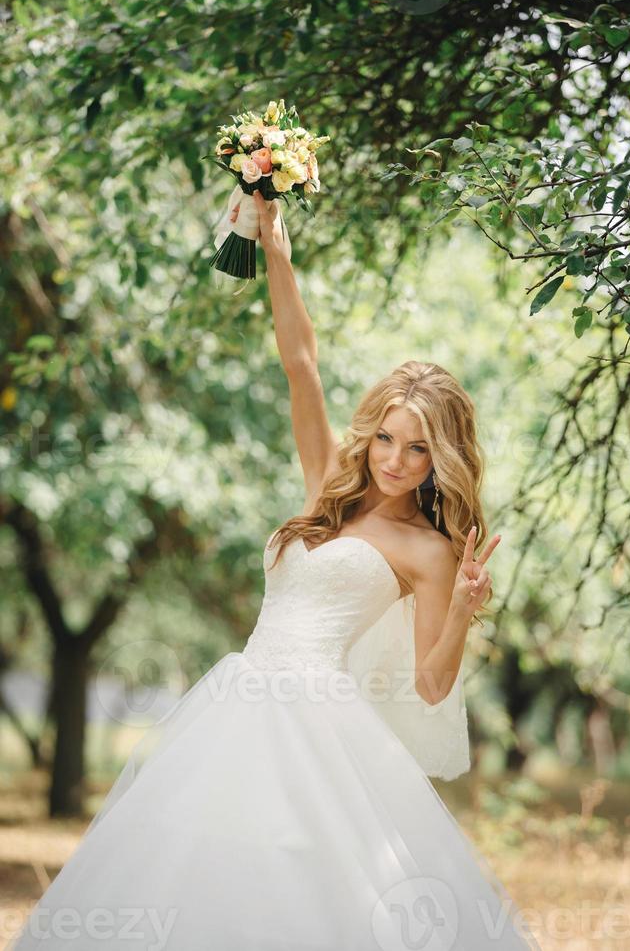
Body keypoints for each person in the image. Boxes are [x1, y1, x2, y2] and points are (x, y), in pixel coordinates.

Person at [9, 191, 541, 950]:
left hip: (320, 727)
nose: (395, 460)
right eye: (387, 438)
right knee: (194, 867)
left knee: (306, 881)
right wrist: (274, 236)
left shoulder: (429, 549)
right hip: (239, 699)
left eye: (417, 449)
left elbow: (428, 685)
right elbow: (301, 363)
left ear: (440, 457)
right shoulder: (330, 486)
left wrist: (461, 606)